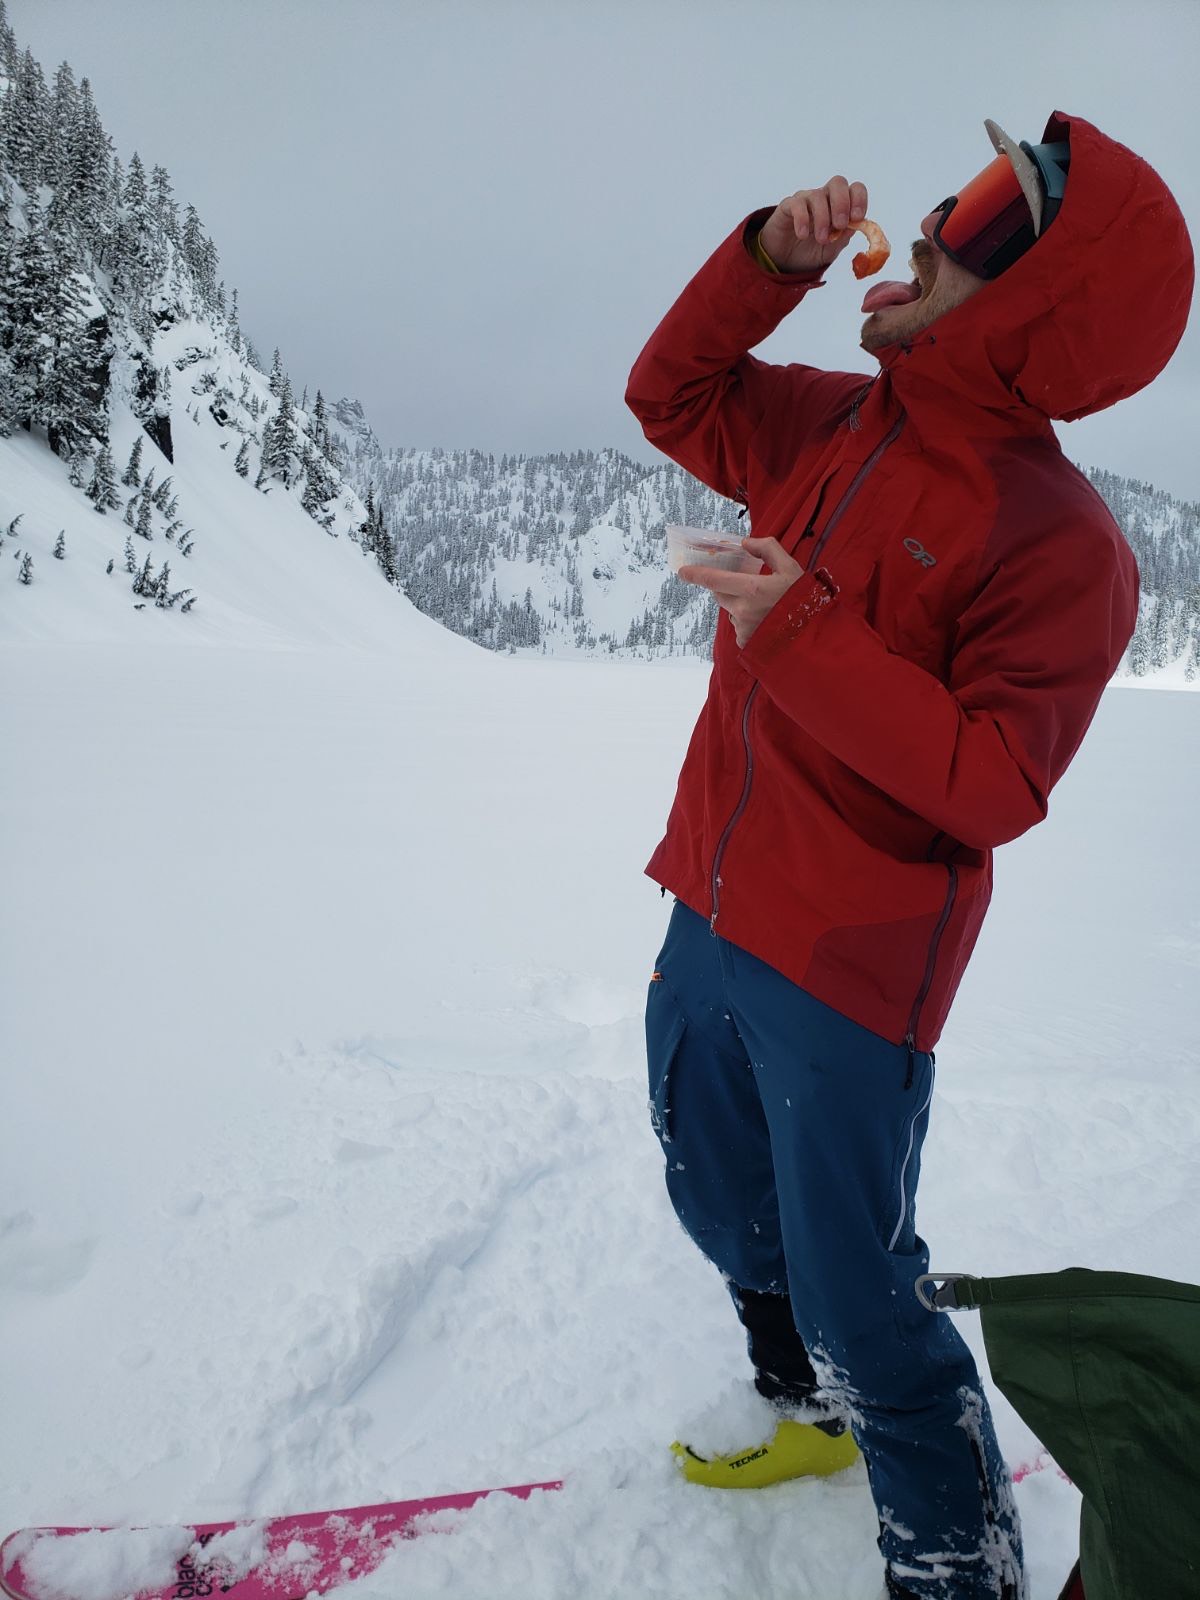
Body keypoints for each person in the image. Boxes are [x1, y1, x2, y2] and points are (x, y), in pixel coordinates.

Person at [626, 110, 1192, 1600]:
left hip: (850, 971)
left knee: (864, 1296)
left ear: (1045, 308)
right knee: (718, 1190)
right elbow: (670, 391)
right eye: (966, 186)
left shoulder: (1064, 543)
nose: (938, 220)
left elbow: (993, 783)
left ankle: (955, 1564)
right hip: (713, 901)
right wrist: (767, 261)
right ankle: (805, 1409)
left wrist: (798, 626)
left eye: (995, 215)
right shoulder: (832, 422)